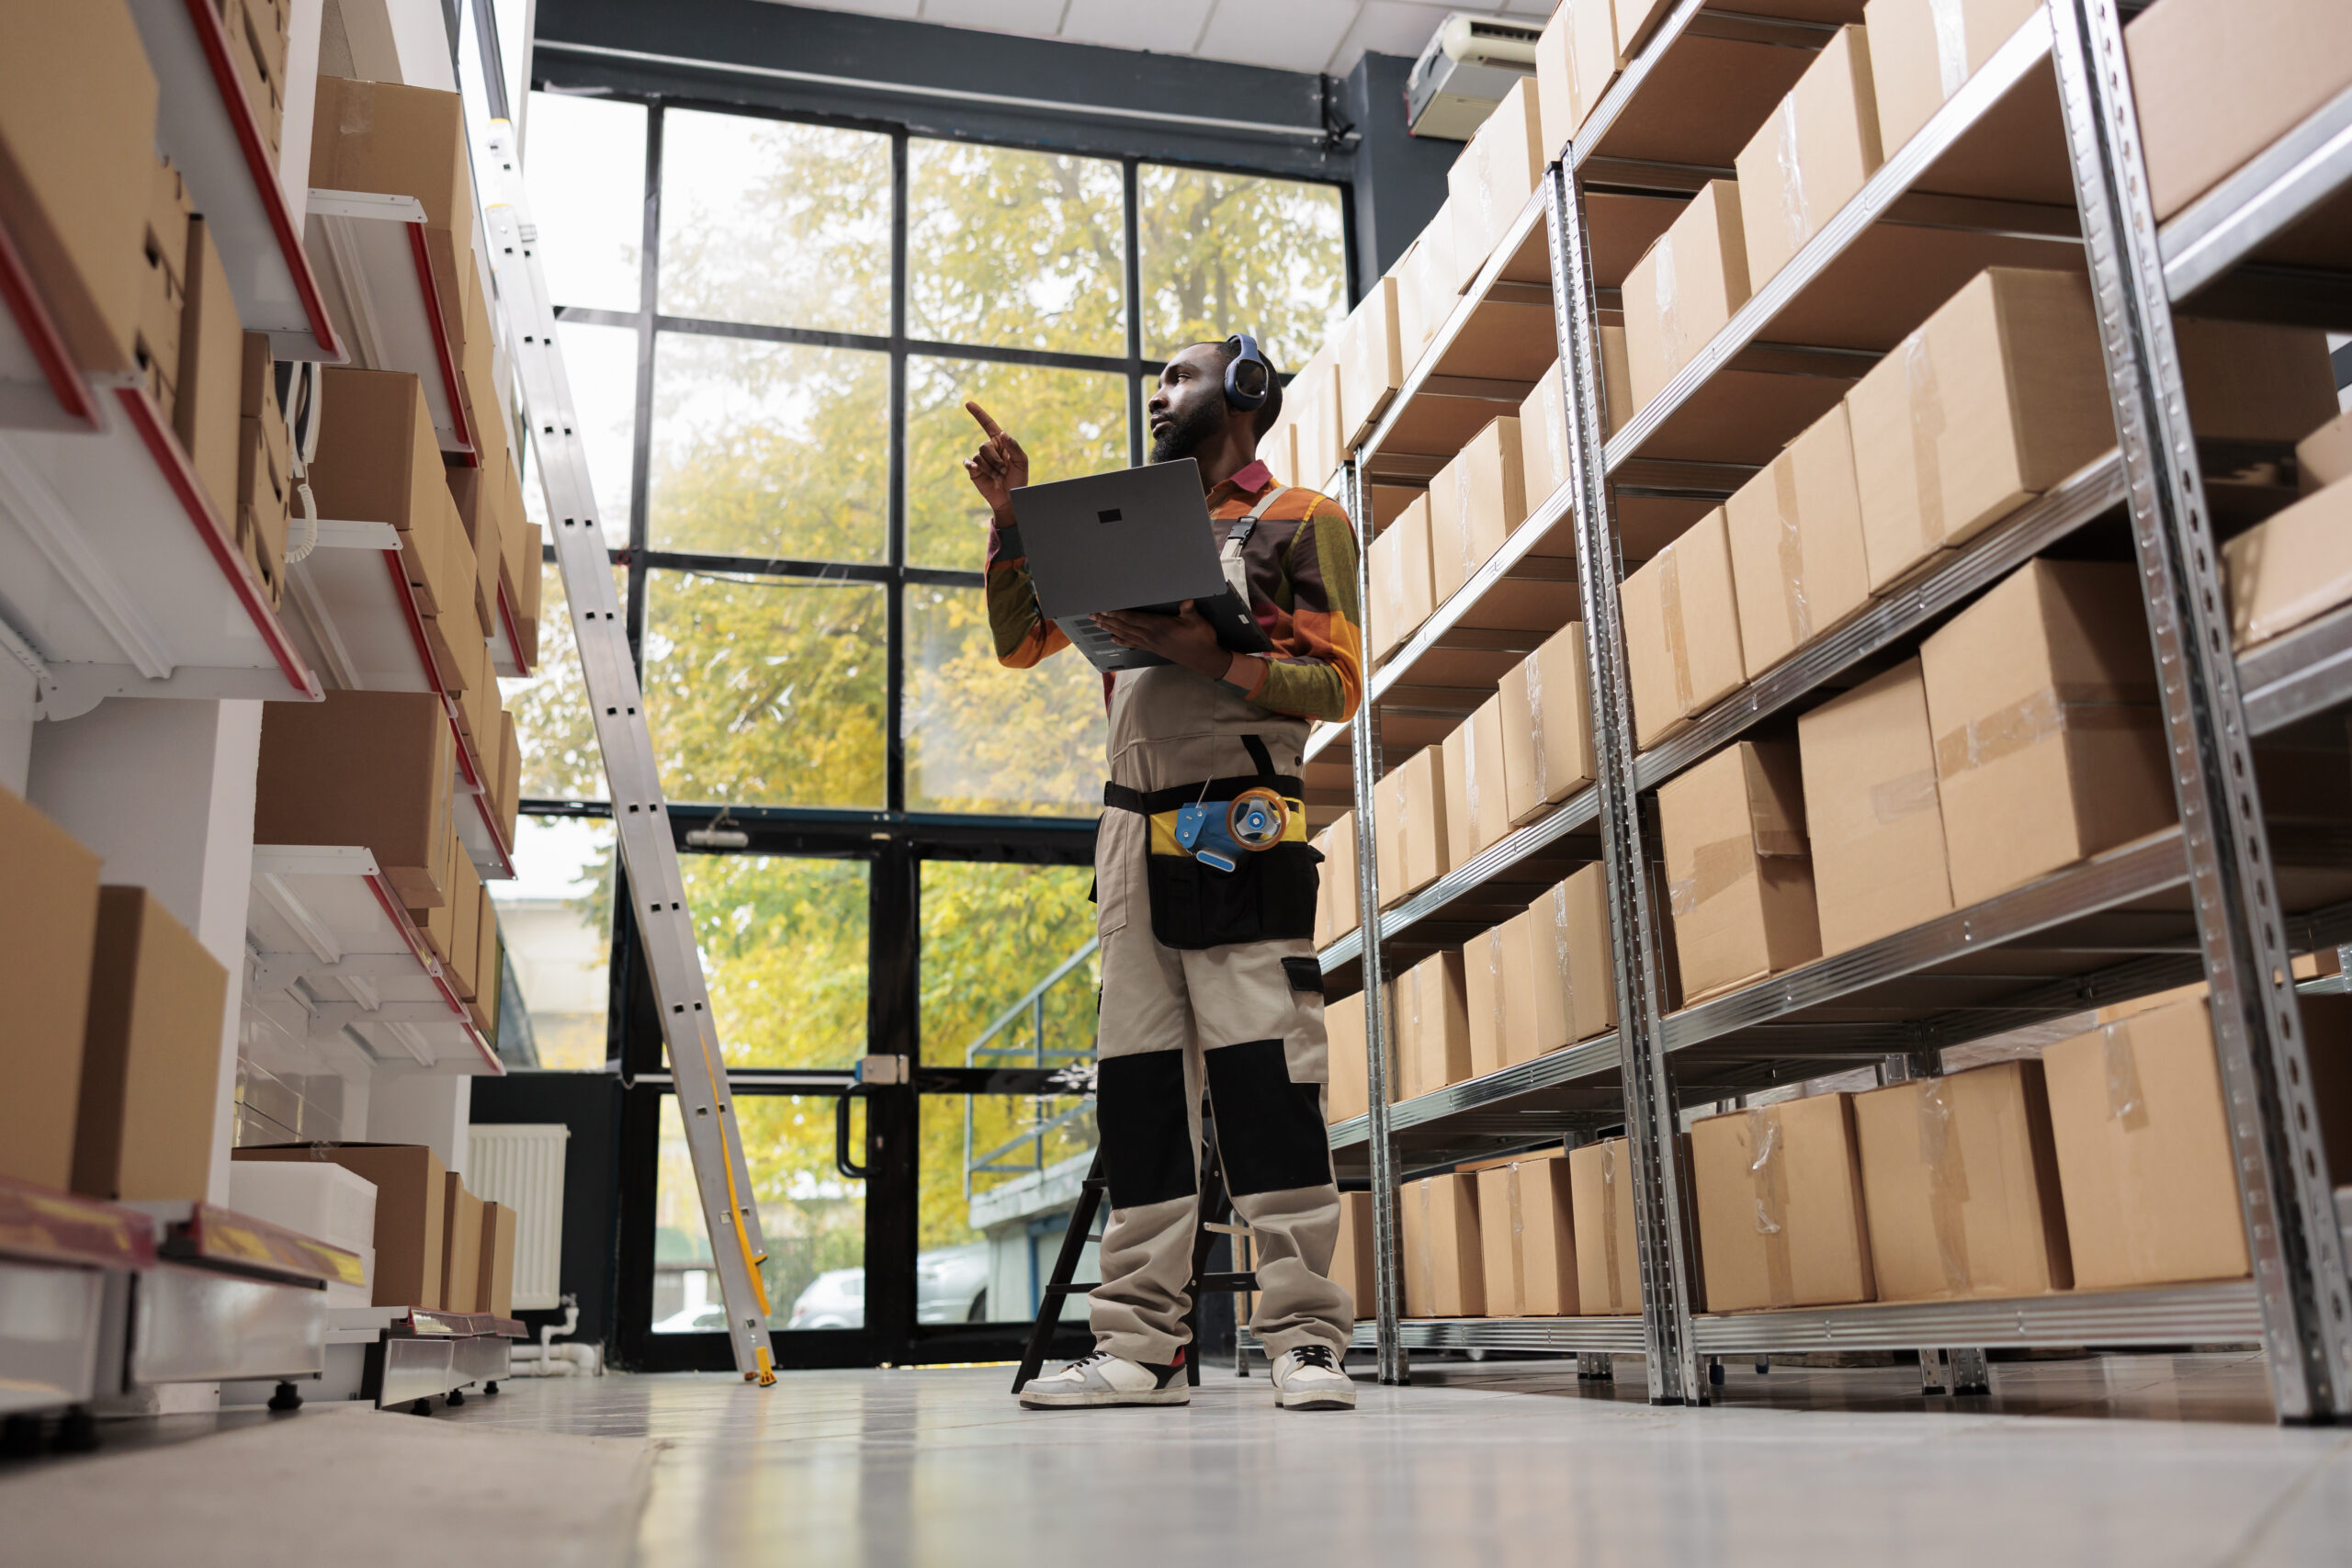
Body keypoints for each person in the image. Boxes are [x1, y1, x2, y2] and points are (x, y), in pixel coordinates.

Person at [964, 336, 1364, 1412]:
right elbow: (1018, 645)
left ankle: (1304, 1341)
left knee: (1266, 1084)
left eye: (1179, 377)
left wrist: (1209, 656)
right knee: (1140, 1094)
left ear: (1243, 394)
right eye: (1154, 381)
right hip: (1128, 826)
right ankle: (1140, 1346)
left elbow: (1333, 688)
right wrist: (1012, 521)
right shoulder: (1124, 534)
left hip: (1239, 818)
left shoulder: (1299, 520)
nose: (1157, 393)